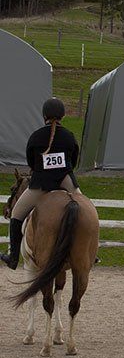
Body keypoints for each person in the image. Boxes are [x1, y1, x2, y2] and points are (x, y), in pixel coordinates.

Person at [1, 98, 82, 270]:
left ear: (44, 115)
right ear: (63, 116)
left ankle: (13, 257)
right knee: (85, 210)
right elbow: (73, 161)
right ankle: (89, 251)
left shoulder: (35, 136)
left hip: (40, 185)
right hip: (65, 181)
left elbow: (31, 162)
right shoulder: (69, 136)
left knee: (16, 215)